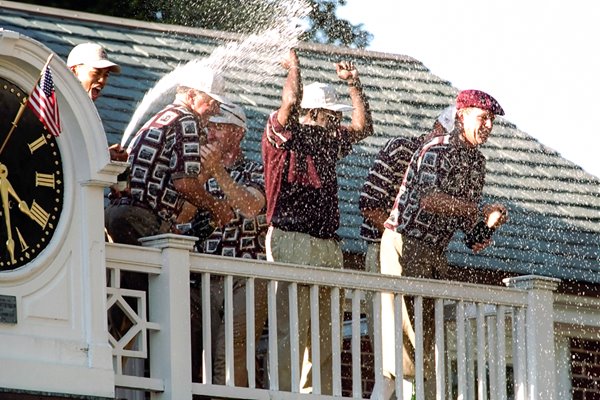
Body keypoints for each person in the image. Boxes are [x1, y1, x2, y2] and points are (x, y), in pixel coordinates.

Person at [375, 90, 509, 399]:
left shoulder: (477, 163)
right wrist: (477, 210)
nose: (488, 125)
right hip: (405, 243)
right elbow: (430, 199)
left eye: (491, 120)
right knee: (407, 339)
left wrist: (489, 224)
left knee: (422, 339)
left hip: (435, 252)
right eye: (482, 118)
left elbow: (471, 236)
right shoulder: (436, 149)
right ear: (461, 116)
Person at [262, 48, 373, 394]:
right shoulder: (283, 135)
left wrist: (354, 85)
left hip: (327, 244)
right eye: (332, 115)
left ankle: (318, 395)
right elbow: (291, 101)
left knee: (326, 335)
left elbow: (362, 126)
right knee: (290, 331)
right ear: (312, 113)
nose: (338, 122)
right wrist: (294, 67)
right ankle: (283, 394)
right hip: (291, 238)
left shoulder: (328, 140)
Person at [359, 106, 455, 389]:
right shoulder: (401, 149)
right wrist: (399, 239)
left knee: (419, 348)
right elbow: (369, 203)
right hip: (384, 252)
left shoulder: (449, 166)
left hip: (422, 261)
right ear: (438, 130)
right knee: (391, 348)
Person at [176, 103, 269, 387]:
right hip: (202, 279)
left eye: (218, 126)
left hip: (244, 279)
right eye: (209, 126)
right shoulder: (196, 174)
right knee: (197, 360)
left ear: (237, 133)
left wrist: (218, 172)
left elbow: (251, 206)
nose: (210, 132)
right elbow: (180, 216)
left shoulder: (256, 170)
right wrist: (203, 176)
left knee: (228, 359)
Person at [104, 67, 234, 246]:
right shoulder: (187, 120)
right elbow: (185, 184)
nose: (216, 110)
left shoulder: (163, 117)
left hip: (120, 213)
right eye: (212, 102)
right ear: (192, 96)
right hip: (139, 219)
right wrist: (216, 206)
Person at [67, 42, 127, 161]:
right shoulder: (53, 108)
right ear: (74, 71)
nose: (102, 80)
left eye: (106, 75)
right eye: (96, 73)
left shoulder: (88, 115)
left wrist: (107, 156)